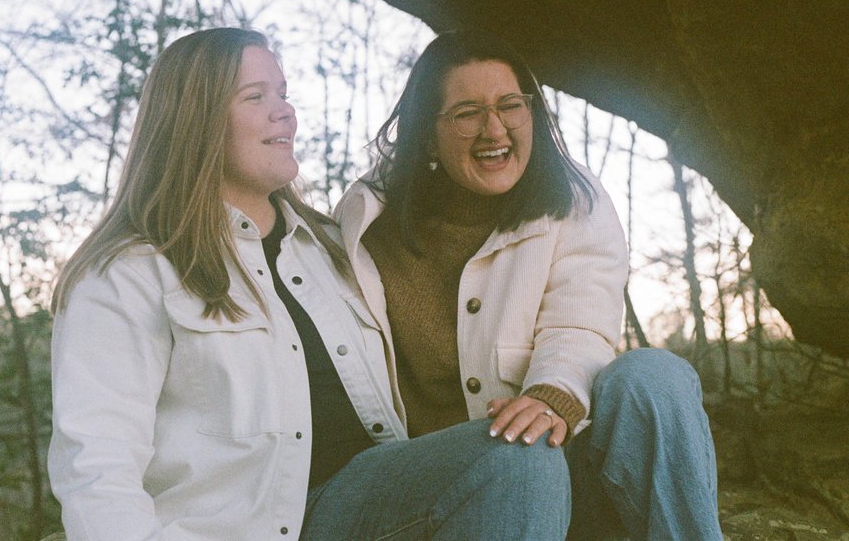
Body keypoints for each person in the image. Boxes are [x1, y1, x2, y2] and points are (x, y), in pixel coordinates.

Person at [48, 27, 579, 540]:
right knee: (515, 456)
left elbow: (461, 245)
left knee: (542, 439)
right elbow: (97, 465)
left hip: (377, 503)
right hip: (244, 528)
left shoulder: (334, 245)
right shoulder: (128, 274)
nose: (285, 110)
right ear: (196, 122)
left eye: (283, 92)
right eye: (256, 96)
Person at [336, 29, 724, 540]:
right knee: (515, 461)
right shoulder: (368, 220)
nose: (494, 129)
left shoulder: (573, 199)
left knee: (655, 376)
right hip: (441, 489)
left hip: (563, 471)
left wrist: (552, 395)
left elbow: (580, 322)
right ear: (428, 134)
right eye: (467, 112)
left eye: (510, 106)